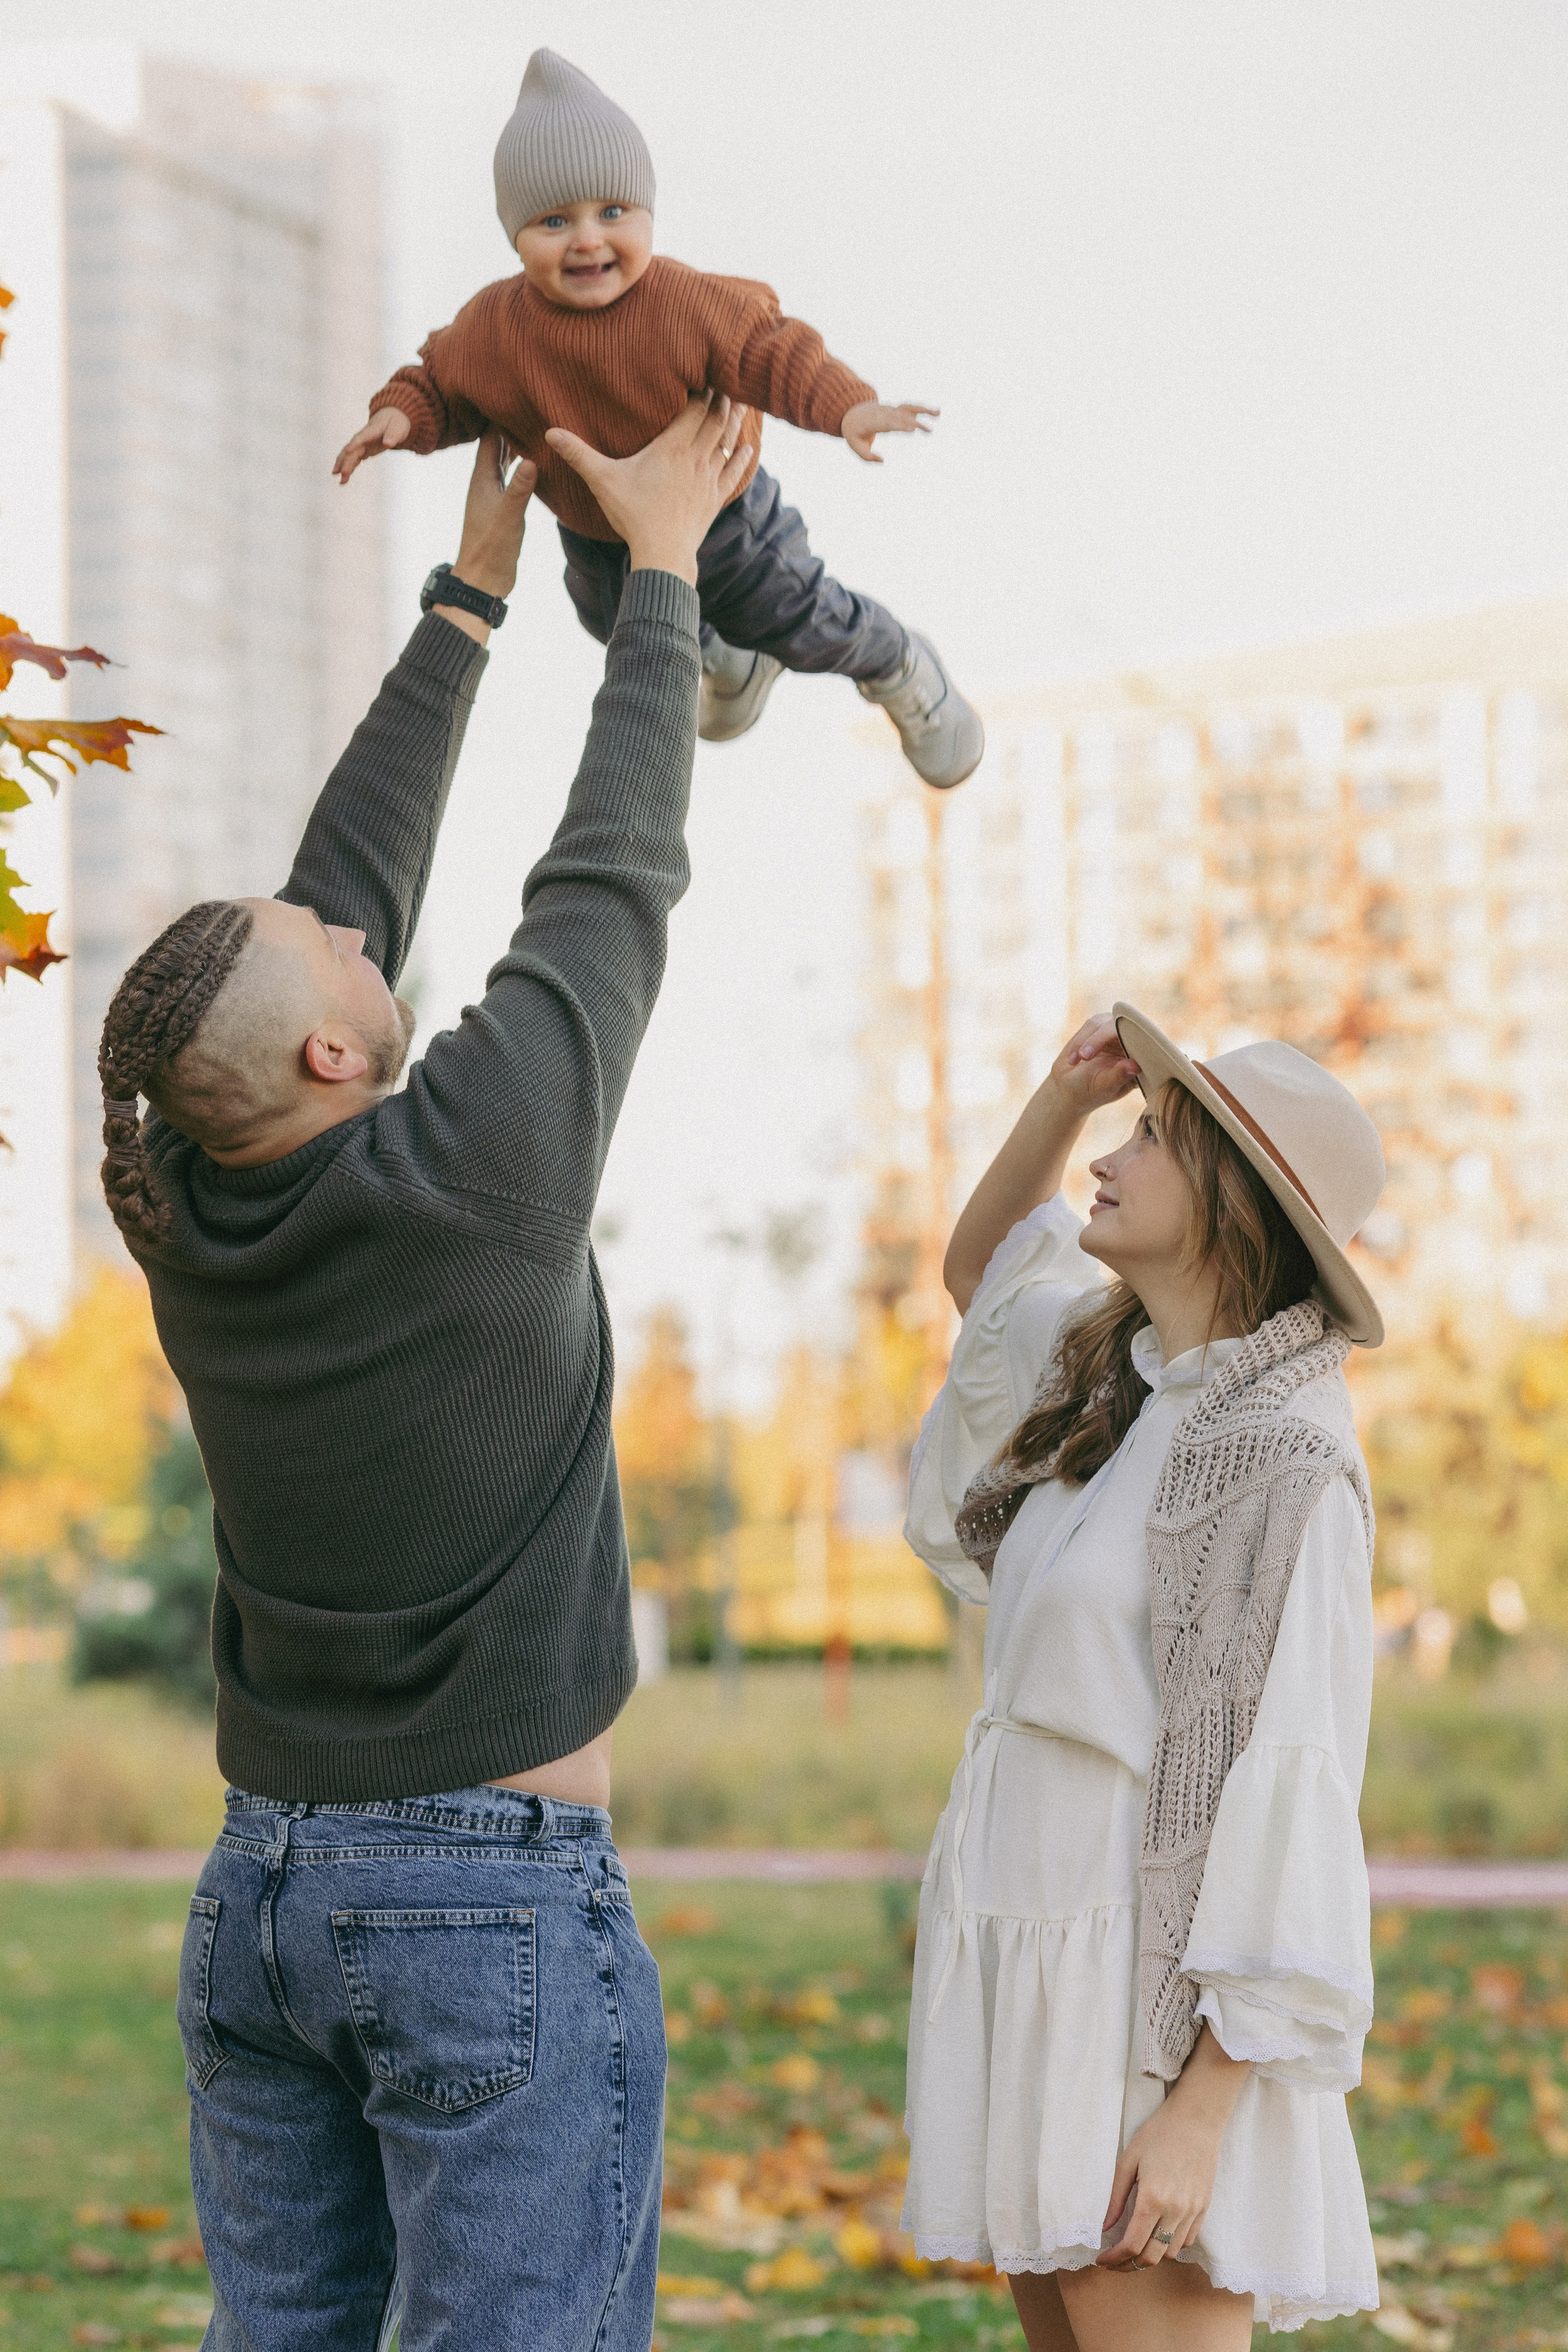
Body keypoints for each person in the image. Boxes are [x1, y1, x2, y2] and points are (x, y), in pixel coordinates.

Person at [94, 394, 751, 2351]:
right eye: (325, 945)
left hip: (265, 1902)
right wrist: (663, 574)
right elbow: (607, 877)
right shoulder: (471, 1169)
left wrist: (469, 597)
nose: (344, 917)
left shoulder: (191, 1215)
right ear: (326, 1054)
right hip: (482, 1906)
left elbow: (340, 893)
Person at [901, 1005, 1387, 2348]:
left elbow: (1296, 1789)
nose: (1108, 1160)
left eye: (1155, 1138)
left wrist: (1199, 2111)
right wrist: (1062, 1097)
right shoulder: (1115, 1391)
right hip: (1031, 1968)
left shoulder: (1287, 1457)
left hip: (1139, 2008)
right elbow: (984, 1275)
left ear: (1236, 1201)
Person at [331, 48, 984, 791]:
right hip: (595, 534)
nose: (587, 238)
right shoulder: (492, 327)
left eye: (612, 213)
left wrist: (847, 405)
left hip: (722, 516)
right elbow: (444, 383)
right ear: (515, 234)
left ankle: (896, 662)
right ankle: (728, 661)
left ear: (647, 214)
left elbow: (771, 350)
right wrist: (400, 414)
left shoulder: (683, 303)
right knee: (614, 625)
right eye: (554, 220)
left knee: (793, 618)